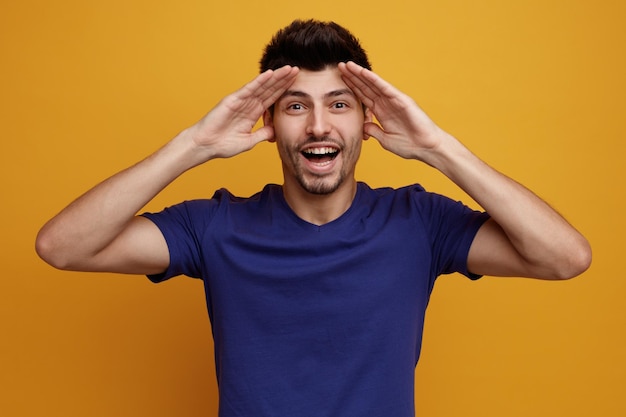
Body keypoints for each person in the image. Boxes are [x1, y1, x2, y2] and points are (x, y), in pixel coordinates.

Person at [36, 19, 591, 417]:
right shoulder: (214, 226)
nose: (319, 126)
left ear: (366, 121)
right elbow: (62, 247)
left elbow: (565, 257)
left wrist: (439, 148)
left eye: (340, 104)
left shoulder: (419, 221)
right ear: (270, 123)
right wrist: (194, 145)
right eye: (297, 105)